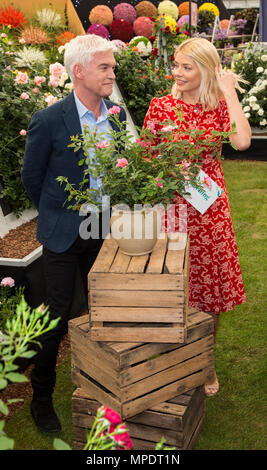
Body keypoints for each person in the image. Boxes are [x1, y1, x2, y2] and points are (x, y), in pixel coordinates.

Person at [21, 34, 126, 432]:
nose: (111, 74)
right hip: (63, 234)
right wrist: (58, 213)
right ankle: (41, 398)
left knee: (101, 309)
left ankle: (100, 384)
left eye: (112, 67)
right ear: (78, 71)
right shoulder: (48, 120)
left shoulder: (113, 115)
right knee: (57, 317)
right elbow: (32, 178)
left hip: (101, 230)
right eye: (105, 67)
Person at [143, 37, 251, 397]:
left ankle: (206, 362)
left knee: (210, 291)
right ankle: (174, 359)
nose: (177, 72)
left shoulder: (218, 107)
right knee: (175, 285)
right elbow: (144, 158)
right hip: (172, 208)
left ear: (205, 70)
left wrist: (229, 92)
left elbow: (243, 143)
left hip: (210, 210)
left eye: (186, 67)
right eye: (176, 65)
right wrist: (167, 167)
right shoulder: (160, 107)